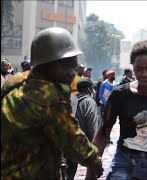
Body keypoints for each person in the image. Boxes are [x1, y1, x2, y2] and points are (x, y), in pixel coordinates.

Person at [1, 27, 103, 179]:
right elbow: (72, 141)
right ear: (45, 65)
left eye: (73, 67)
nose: (71, 73)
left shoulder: (16, 84)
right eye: (65, 66)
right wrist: (95, 161)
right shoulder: (52, 97)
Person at [87, 40, 147, 179]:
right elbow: (103, 132)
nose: (144, 74)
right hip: (125, 160)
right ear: (133, 68)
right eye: (139, 69)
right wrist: (91, 170)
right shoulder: (120, 95)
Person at [66, 77, 100, 180]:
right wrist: (95, 146)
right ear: (88, 89)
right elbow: (92, 124)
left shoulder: (71, 99)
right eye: (92, 88)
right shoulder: (89, 102)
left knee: (69, 171)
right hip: (84, 142)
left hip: (69, 140)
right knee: (93, 170)